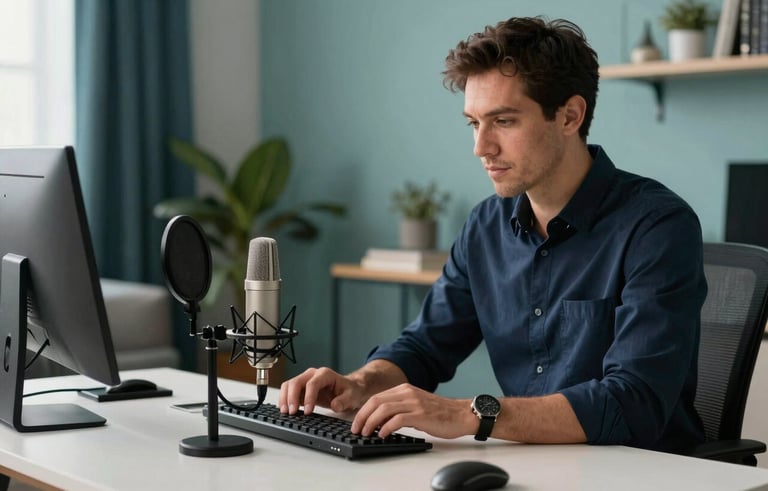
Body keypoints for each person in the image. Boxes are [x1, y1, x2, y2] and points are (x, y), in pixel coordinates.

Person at [279, 16, 707, 452]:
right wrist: (360, 383)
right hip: (531, 467)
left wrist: (462, 414)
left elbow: (632, 403)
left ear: (569, 116)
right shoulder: (486, 226)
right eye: (473, 123)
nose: (481, 147)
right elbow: (426, 346)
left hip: (641, 471)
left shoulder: (657, 226)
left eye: (503, 121)